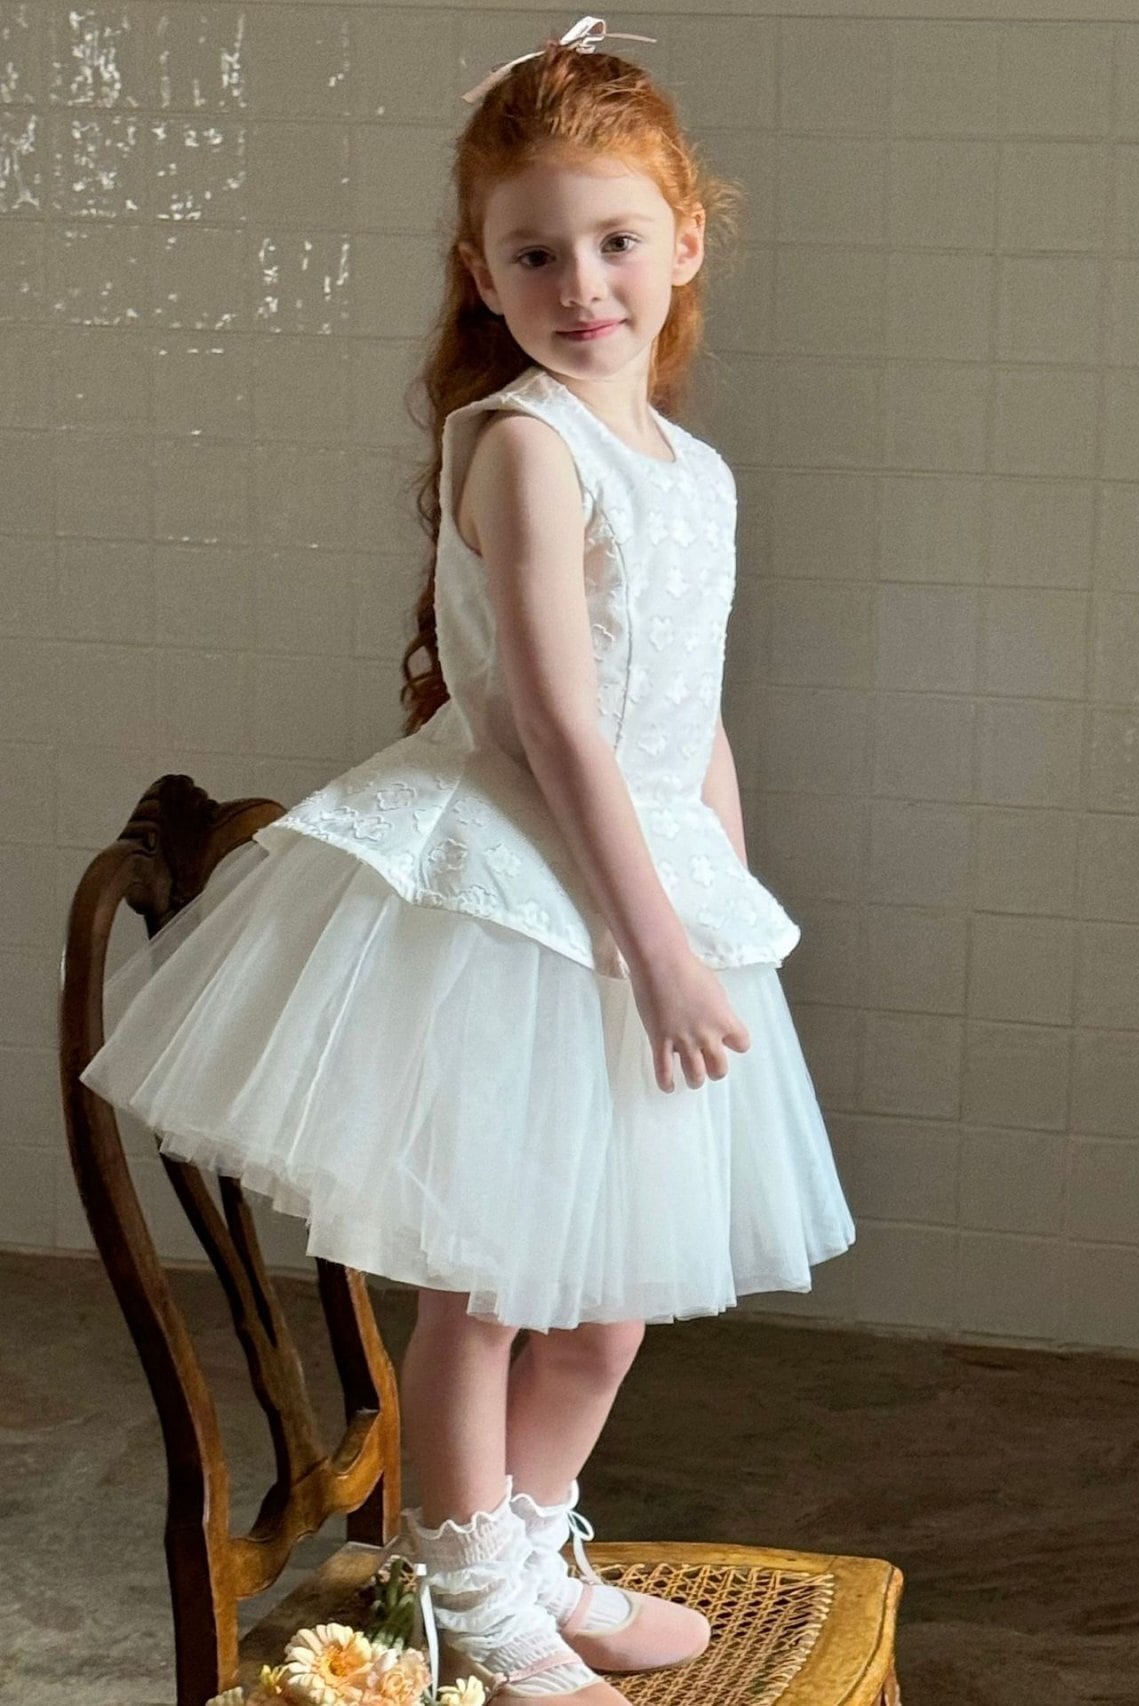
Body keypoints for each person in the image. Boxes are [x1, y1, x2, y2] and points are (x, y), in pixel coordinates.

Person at [78, 15, 856, 1703]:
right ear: (482, 274)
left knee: (611, 1302)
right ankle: (457, 1583)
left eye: (617, 241)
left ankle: (530, 1542)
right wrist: (652, 941)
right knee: (492, 1288)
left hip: (641, 890)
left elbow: (687, 721)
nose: (583, 283)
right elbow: (562, 726)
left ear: (686, 244)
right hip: (517, 891)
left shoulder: (695, 475)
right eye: (537, 253)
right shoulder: (521, 442)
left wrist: (722, 912)